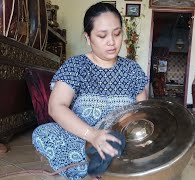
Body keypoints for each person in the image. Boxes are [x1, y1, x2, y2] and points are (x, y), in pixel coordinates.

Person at [32, 2, 148, 180]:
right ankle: (94, 170)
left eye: (117, 34)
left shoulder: (132, 70)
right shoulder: (76, 66)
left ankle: (105, 168)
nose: (111, 42)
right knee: (44, 133)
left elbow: (143, 112)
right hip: (82, 138)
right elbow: (56, 107)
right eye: (102, 36)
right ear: (88, 37)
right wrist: (92, 135)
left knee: (127, 145)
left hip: (120, 141)